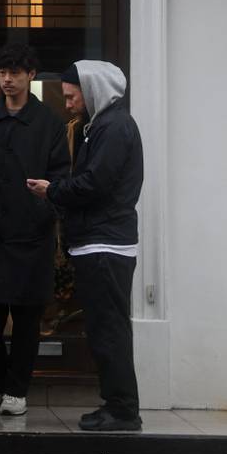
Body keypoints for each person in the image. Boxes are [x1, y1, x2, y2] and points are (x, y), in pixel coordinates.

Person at [26, 60, 144, 432]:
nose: (69, 103)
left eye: (72, 95)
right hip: (101, 241)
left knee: (108, 329)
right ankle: (116, 405)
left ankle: (123, 410)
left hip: (104, 244)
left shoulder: (112, 127)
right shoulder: (104, 125)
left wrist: (53, 189)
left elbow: (96, 184)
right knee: (103, 327)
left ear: (91, 91)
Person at [0, 44, 70, 417]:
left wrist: (44, 208)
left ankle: (17, 390)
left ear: (31, 75)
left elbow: (61, 178)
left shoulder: (49, 123)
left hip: (31, 234)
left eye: (15, 72)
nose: (7, 80)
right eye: (2, 73)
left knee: (27, 318)